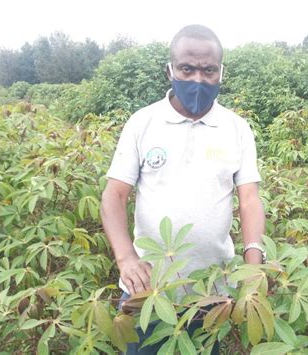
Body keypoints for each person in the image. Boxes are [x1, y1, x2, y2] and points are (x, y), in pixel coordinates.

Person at [100, 24, 265, 354]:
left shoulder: (236, 128)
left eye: (208, 70)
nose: (198, 80)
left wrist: (253, 264)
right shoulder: (143, 123)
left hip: (212, 289)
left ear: (221, 72)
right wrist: (126, 258)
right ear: (170, 70)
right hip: (148, 290)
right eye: (187, 69)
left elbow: (249, 200)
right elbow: (113, 196)